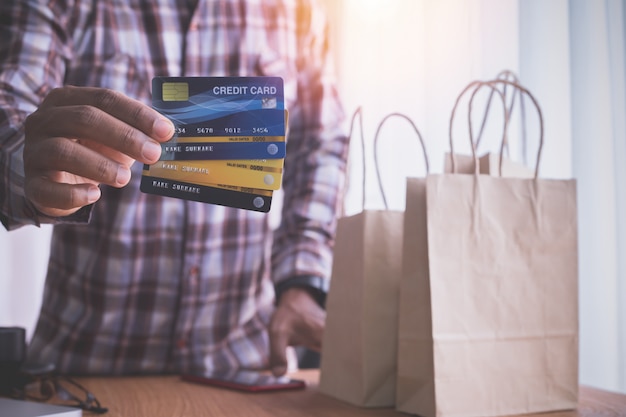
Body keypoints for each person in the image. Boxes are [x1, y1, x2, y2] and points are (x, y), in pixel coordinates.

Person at [0, 0, 349, 376]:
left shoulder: (297, 11)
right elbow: (9, 116)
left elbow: (322, 144)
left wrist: (302, 278)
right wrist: (30, 168)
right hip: (86, 374)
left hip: (245, 368)